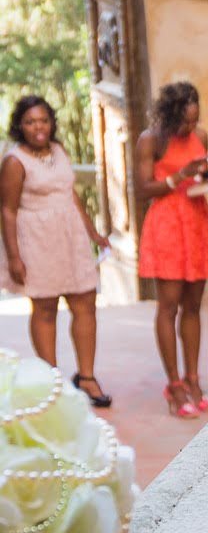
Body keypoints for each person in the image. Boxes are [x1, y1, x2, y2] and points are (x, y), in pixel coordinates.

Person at [0, 95, 113, 407]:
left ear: (51, 122)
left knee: (85, 302)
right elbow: (7, 210)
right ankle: (51, 383)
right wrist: (14, 257)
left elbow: (70, 194)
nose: (38, 127)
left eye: (43, 120)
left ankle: (87, 377)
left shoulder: (59, 150)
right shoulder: (14, 161)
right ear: (20, 126)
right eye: (30, 122)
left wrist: (93, 233)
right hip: (37, 240)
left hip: (71, 237)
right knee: (45, 308)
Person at [136, 80, 208, 419]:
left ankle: (193, 380)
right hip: (167, 226)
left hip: (196, 221)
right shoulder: (151, 140)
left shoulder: (200, 136)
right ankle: (174, 385)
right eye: (185, 121)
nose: (191, 127)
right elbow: (144, 189)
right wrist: (180, 176)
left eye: (195, 120)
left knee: (193, 306)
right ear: (170, 114)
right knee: (169, 306)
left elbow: (197, 177)